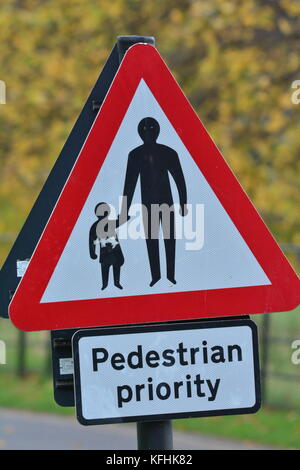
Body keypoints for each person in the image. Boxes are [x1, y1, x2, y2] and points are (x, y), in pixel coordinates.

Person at [120, 117, 187, 287]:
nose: (148, 132)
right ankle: (155, 276)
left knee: (169, 238)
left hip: (167, 204)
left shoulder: (169, 152)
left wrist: (183, 203)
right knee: (151, 240)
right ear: (140, 132)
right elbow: (129, 184)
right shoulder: (134, 155)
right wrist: (124, 211)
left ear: (157, 130)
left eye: (151, 128)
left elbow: (179, 179)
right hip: (147, 206)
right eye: (144, 128)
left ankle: (171, 275)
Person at [89, 202, 124, 290]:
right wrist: (92, 253)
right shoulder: (95, 226)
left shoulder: (111, 222)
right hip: (105, 251)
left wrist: (124, 218)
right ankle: (105, 284)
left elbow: (120, 222)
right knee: (105, 268)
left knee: (116, 266)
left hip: (115, 250)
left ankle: (117, 283)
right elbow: (92, 240)